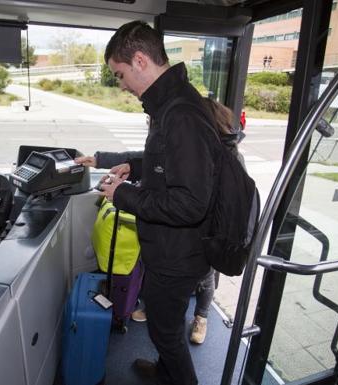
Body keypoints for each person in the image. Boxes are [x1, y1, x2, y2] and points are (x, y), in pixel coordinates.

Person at [98, 20, 220, 385]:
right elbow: (171, 163)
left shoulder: (180, 113)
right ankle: (165, 373)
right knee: (164, 327)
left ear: (139, 61)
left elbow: (190, 203)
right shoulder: (171, 105)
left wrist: (123, 195)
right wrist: (135, 165)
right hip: (169, 248)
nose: (121, 85)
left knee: (166, 333)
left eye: (120, 75)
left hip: (178, 254)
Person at [75, 98, 246, 345]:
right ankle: (159, 325)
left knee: (193, 294)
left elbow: (183, 205)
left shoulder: (216, 159)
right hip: (178, 242)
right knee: (164, 314)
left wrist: (123, 194)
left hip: (200, 243)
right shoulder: (194, 149)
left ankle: (200, 316)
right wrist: (101, 159)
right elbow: (151, 160)